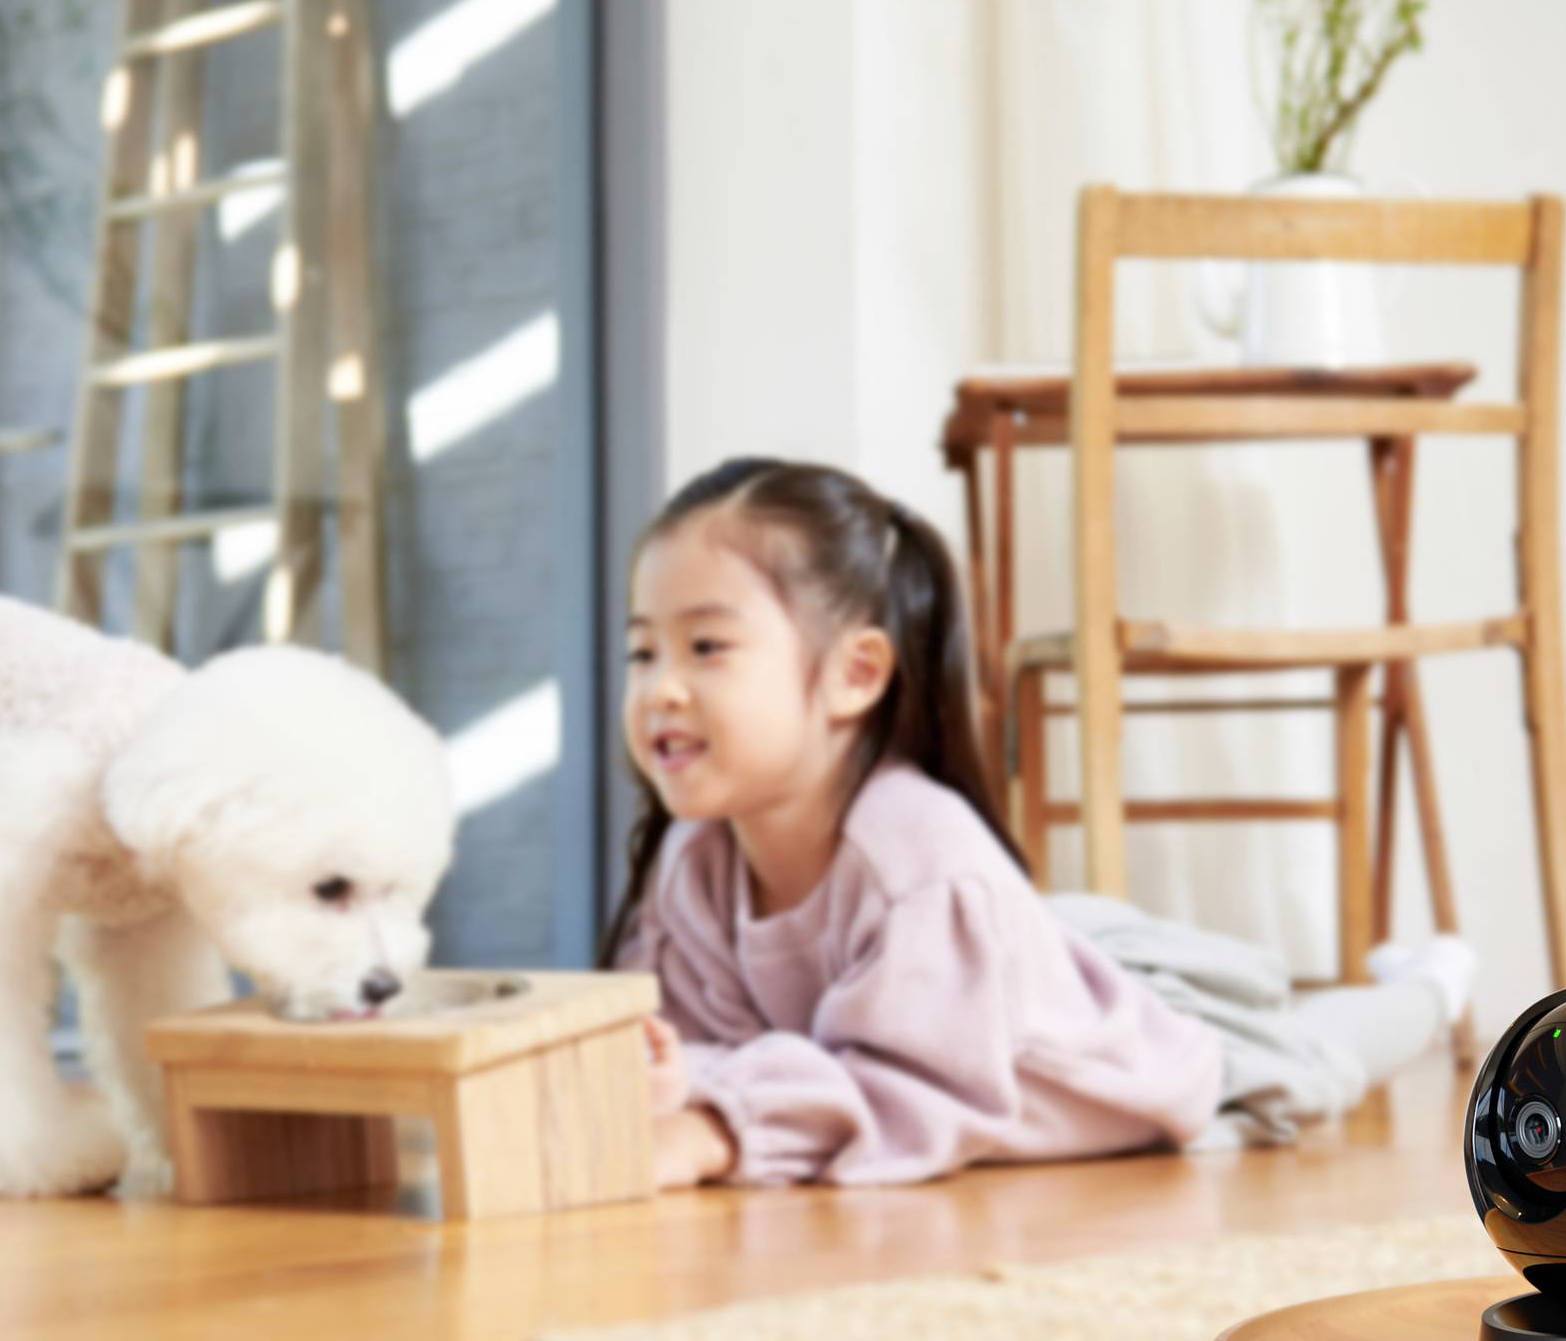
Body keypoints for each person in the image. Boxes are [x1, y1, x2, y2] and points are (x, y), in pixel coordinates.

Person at [607, 457, 1474, 1190]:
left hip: (1128, 1057)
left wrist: (719, 1127)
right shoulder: (695, 863)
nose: (660, 688)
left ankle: (1433, 985)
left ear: (854, 674)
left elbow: (915, 1091)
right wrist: (672, 1080)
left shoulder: (917, 855)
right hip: (1037, 959)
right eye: (643, 651)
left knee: (1313, 1059)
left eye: (706, 647)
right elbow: (705, 1044)